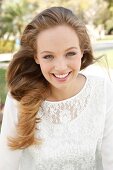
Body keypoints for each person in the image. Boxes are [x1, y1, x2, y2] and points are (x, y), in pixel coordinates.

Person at [0, 6, 113, 170]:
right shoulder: (20, 96)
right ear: (36, 57)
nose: (60, 67)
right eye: (48, 56)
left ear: (82, 51)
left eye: (70, 53)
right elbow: (6, 164)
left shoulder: (104, 91)